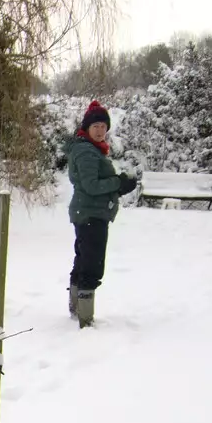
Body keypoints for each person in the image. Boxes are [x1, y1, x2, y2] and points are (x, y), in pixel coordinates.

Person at [65, 100, 137, 327]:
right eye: (95, 126)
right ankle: (85, 319)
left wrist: (118, 184)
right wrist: (118, 183)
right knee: (92, 265)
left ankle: (76, 309)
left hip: (87, 213)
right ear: (86, 128)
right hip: (90, 215)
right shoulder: (86, 151)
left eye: (103, 126)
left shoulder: (90, 149)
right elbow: (91, 185)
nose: (99, 130)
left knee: (83, 259)